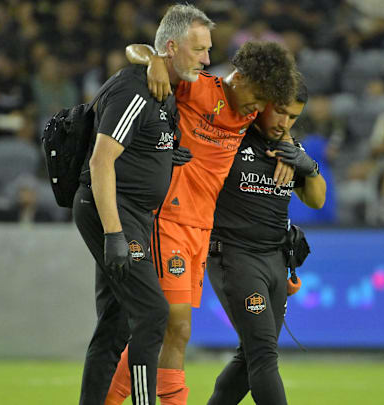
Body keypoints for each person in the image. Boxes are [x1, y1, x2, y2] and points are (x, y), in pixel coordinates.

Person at [104, 39, 297, 405]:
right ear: (239, 77)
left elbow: (280, 120)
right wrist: (154, 62)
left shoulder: (249, 110)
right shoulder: (200, 87)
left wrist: (287, 141)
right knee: (173, 325)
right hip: (170, 216)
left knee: (169, 331)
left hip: (201, 228)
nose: (259, 108)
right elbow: (134, 49)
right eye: (257, 96)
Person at [72, 5, 214, 405]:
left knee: (115, 327)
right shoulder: (135, 89)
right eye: (199, 49)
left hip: (133, 214)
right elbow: (101, 161)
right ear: (171, 46)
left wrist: (165, 156)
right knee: (153, 314)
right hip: (113, 210)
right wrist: (114, 233)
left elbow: (140, 144)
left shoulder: (163, 89)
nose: (206, 59)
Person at [207, 78, 326, 405]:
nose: (284, 123)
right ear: (263, 103)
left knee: (250, 357)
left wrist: (310, 168)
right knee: (262, 355)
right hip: (234, 255)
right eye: (281, 113)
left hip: (275, 259)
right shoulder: (230, 138)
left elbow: (317, 200)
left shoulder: (292, 150)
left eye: (293, 118)